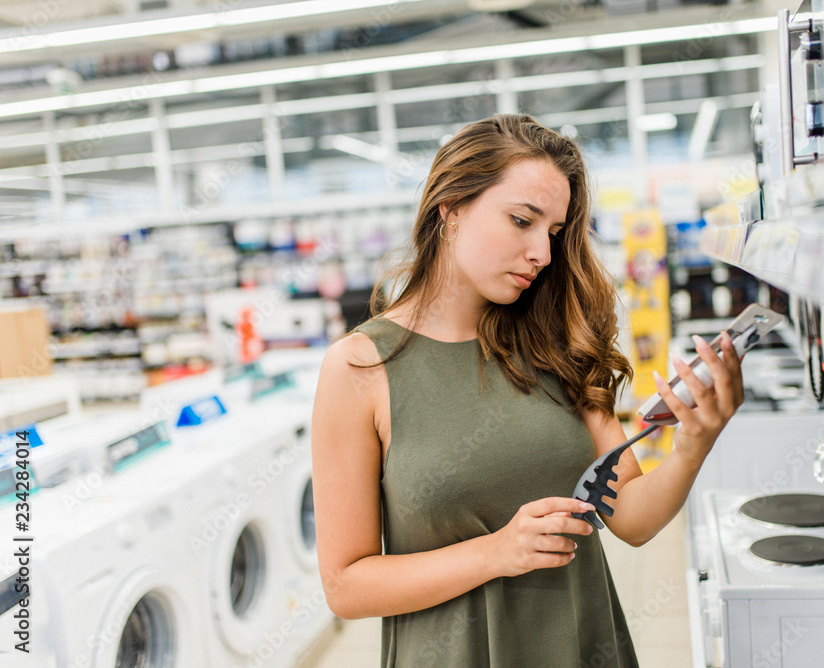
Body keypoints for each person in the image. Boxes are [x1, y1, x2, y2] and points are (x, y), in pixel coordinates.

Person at [310, 113, 744, 667]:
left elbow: (629, 518)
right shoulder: (360, 367)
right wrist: (496, 552)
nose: (542, 251)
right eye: (522, 220)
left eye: (554, 233)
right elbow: (347, 585)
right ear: (452, 210)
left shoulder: (556, 341)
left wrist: (694, 443)